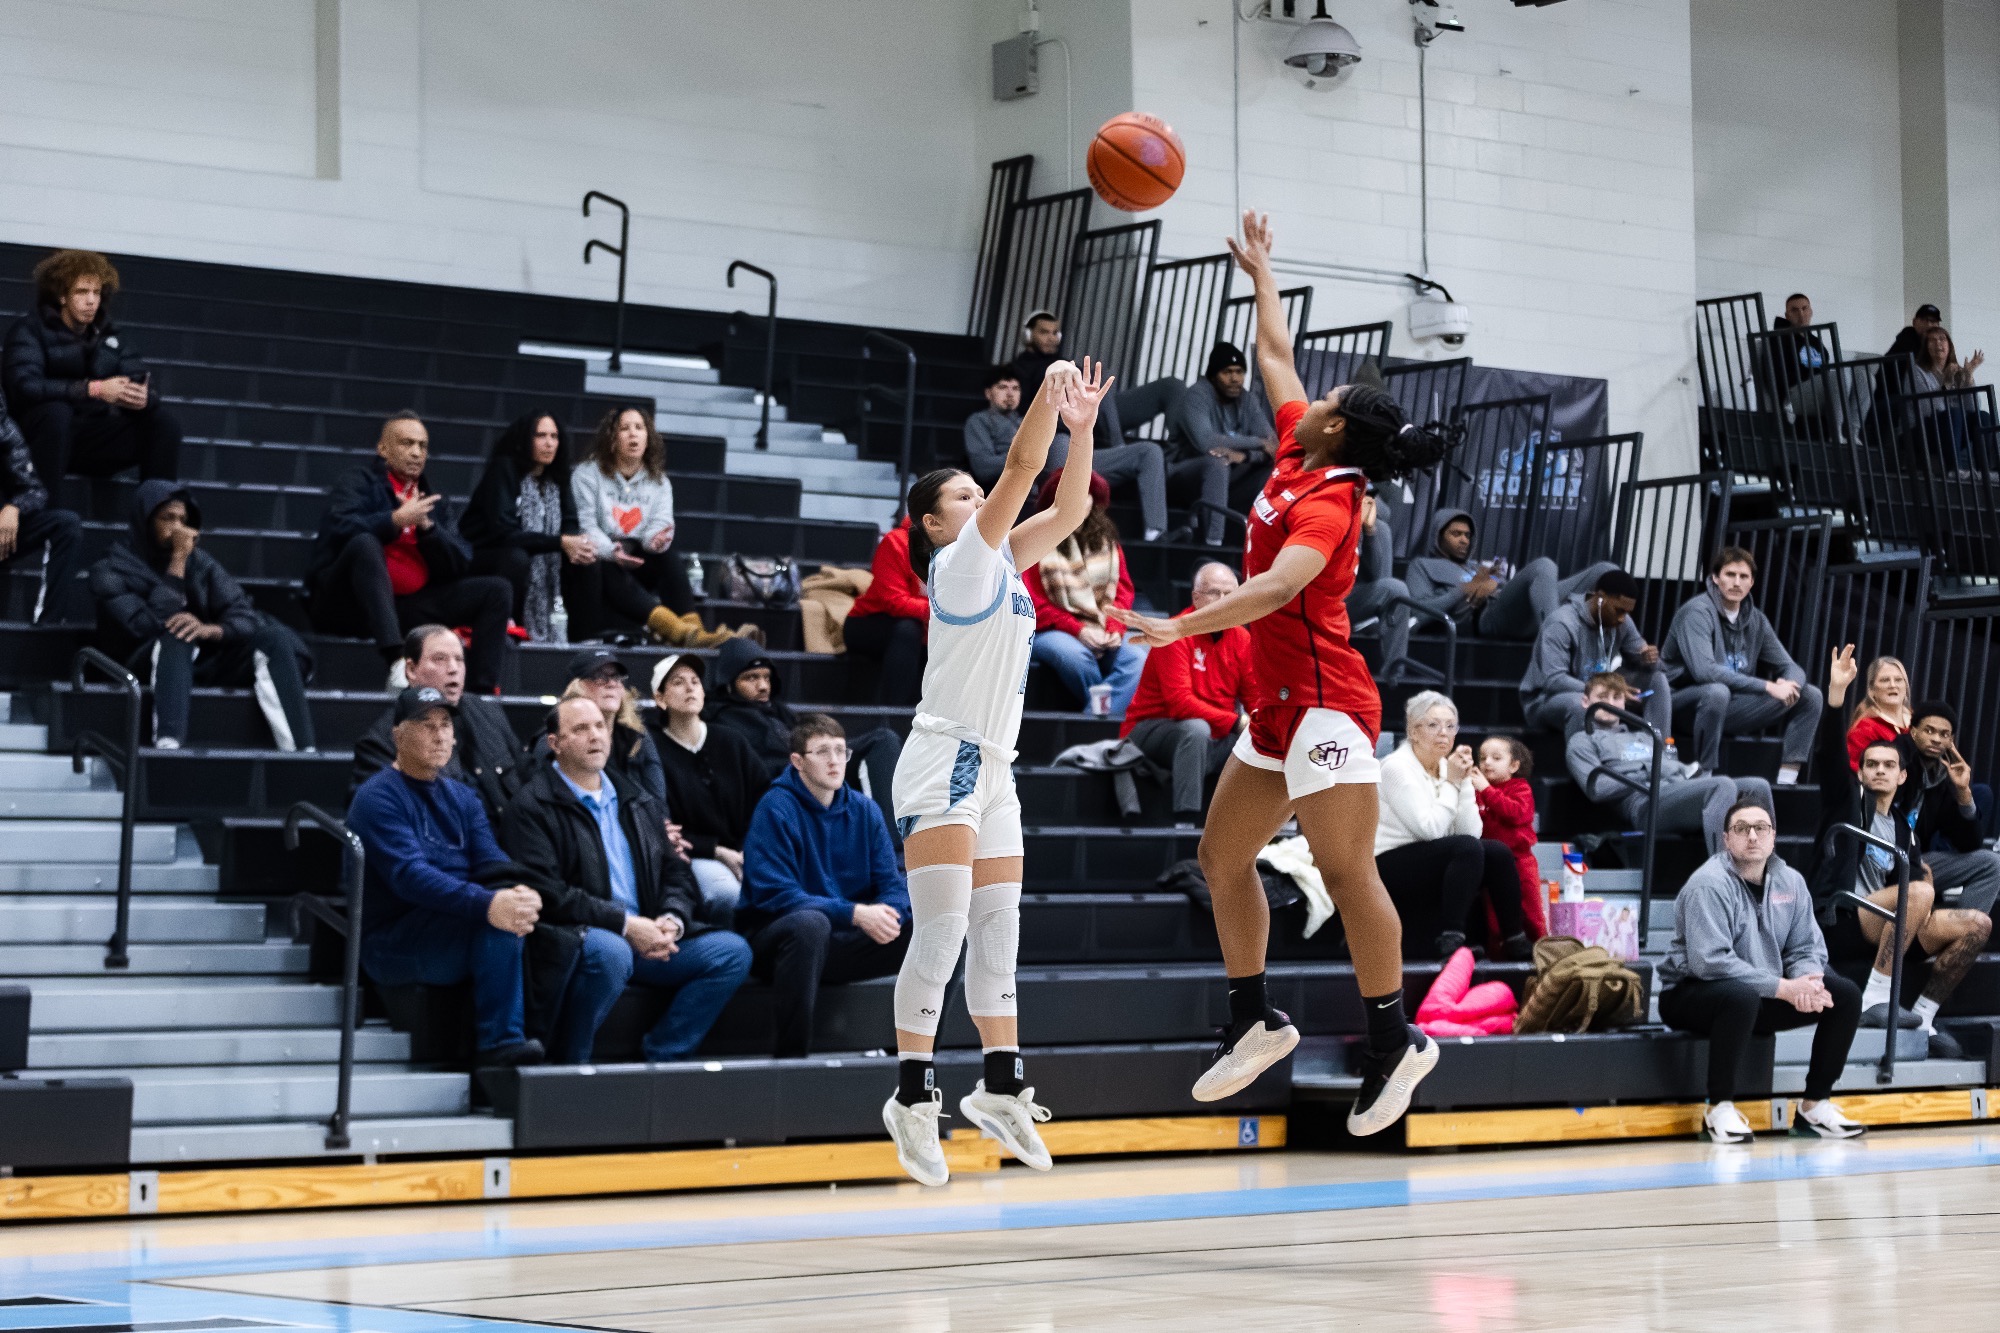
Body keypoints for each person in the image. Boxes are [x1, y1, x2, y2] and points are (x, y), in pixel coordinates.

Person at [1126, 211, 1453, 1134]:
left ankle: (1397, 1040)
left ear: (1337, 424)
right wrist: (1262, 273)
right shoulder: (1295, 449)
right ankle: (1254, 1017)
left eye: (1325, 394)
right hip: (1274, 708)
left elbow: (1273, 590)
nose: (1304, 392)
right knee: (1222, 858)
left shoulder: (1336, 504)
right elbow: (1275, 354)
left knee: (1348, 871)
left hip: (1328, 706)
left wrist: (1179, 624)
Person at [881, 355, 1109, 1188]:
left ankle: (1002, 1083)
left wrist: (1080, 431)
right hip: (944, 754)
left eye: (979, 499)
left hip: (996, 768)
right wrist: (1049, 394)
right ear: (935, 526)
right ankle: (911, 1097)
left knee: (999, 936)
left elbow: (1071, 504)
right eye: (963, 499)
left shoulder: (1005, 560)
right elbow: (1020, 468)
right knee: (940, 933)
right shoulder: (961, 565)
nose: (981, 503)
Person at [502, 696, 752, 1064]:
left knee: (732, 952)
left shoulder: (636, 798)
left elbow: (676, 871)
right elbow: (549, 893)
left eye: (600, 726)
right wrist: (626, 925)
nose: (595, 736)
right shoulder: (531, 806)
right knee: (613, 952)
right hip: (581, 935)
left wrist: (672, 920)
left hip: (648, 933)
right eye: (580, 729)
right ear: (555, 743)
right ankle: (569, 1066)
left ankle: (663, 1056)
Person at [347, 686, 545, 1069]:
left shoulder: (463, 796)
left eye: (445, 725)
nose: (439, 735)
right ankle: (499, 1049)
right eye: (426, 726)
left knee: (528, 922)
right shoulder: (377, 798)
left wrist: (519, 893)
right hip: (394, 940)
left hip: (450, 921)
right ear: (398, 735)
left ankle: (551, 1051)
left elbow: (493, 863)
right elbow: (410, 877)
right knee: (499, 926)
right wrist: (489, 904)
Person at [1811, 649, 1991, 1056]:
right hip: (1840, 917)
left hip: (1886, 921)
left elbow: (1961, 846)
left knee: (1977, 923)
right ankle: (1876, 996)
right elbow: (1828, 756)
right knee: (1921, 891)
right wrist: (1836, 694)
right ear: (1860, 770)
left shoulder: (1902, 827)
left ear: (1902, 773)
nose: (1878, 770)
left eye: (1888, 765)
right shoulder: (1847, 801)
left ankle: (1925, 1016)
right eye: (1870, 764)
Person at [1656, 795, 1866, 1143]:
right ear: (1726, 839)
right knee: (1740, 997)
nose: (1752, 836)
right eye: (1741, 829)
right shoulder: (1708, 884)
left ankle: (1814, 1106)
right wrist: (1784, 989)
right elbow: (1710, 962)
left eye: (1760, 828)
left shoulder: (1791, 882)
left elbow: (1805, 947)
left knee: (1843, 995)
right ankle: (1719, 1109)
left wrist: (1806, 981)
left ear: (1773, 836)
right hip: (1690, 994)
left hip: (1760, 991)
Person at [88, 482, 315, 752]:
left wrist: (209, 630)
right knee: (177, 633)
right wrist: (178, 562)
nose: (178, 528)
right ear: (145, 521)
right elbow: (143, 627)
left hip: (200, 659)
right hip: (140, 664)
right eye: (168, 518)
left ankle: (302, 751)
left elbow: (244, 615)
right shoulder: (110, 568)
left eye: (183, 520)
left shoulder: (200, 563)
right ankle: (168, 744)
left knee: (273, 638)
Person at [740, 715, 910, 1059]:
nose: (834, 760)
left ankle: (911, 1058)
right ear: (797, 761)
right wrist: (855, 913)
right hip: (779, 941)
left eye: (839, 750)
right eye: (822, 752)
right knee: (810, 924)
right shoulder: (774, 808)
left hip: (840, 941)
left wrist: (889, 913)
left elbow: (891, 882)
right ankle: (791, 1061)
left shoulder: (865, 810)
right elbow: (776, 894)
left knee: (941, 931)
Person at [304, 412, 513, 693]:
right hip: (350, 604)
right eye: (406, 443)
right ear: (383, 448)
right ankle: (396, 662)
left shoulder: (432, 500)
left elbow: (461, 561)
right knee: (364, 543)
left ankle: (480, 692)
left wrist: (428, 529)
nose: (416, 452)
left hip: (407, 608)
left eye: (422, 445)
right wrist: (395, 520)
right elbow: (340, 528)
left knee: (496, 590)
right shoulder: (359, 481)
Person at [1009, 311, 1210, 542]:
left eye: (1055, 332)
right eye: (1044, 332)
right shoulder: (1020, 369)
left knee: (1165, 387)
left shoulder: (1067, 361)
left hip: (1087, 424)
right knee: (1148, 450)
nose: (1051, 338)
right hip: (1059, 437)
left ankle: (1157, 533)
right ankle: (1119, 445)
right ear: (1028, 335)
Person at [570, 405, 751, 648]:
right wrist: (612, 552)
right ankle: (677, 631)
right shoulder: (587, 474)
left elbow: (661, 522)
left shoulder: (659, 482)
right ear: (611, 438)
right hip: (602, 558)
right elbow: (586, 526)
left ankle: (695, 631)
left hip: (639, 557)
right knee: (602, 561)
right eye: (624, 428)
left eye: (639, 428)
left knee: (668, 555)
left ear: (648, 438)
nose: (633, 434)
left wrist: (655, 540)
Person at [1374, 693, 1531, 961]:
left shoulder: (1449, 767)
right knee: (1465, 848)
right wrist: (1452, 783)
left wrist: (1464, 784)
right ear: (1413, 730)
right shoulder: (1396, 768)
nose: (1443, 733)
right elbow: (1430, 830)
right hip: (1387, 861)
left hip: (1429, 856)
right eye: (1433, 725)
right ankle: (1451, 940)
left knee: (1497, 852)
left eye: (1450, 726)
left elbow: (1471, 832)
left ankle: (1514, 940)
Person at [2, 249, 181, 484]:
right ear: (61, 296)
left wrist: (141, 397)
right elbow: (25, 387)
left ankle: (158, 512)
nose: (91, 301)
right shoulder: (30, 331)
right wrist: (93, 389)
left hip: (91, 439)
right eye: (82, 292)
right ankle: (45, 516)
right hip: (38, 440)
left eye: (96, 292)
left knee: (164, 423)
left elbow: (141, 378)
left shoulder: (110, 336)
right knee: (57, 413)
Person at [1662, 545, 1822, 783]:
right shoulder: (1696, 612)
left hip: (1731, 705)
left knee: (1810, 695)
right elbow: (1704, 671)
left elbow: (1790, 666)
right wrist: (1768, 687)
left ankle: (1787, 778)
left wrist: (1791, 684)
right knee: (1717, 691)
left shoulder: (1755, 619)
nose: (1736, 582)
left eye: (1743, 576)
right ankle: (1705, 775)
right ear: (1715, 578)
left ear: (1752, 583)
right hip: (1683, 705)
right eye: (1730, 575)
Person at [707, 634, 902, 830]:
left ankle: (892, 839)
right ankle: (889, 846)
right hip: (788, 784)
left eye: (766, 677)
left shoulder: (779, 711)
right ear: (729, 684)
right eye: (751, 678)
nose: (763, 686)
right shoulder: (722, 719)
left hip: (813, 767)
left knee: (883, 740)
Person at [1568, 673, 1773, 855]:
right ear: (1586, 701)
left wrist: (1683, 773)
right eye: (1603, 698)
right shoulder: (1583, 740)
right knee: (1722, 785)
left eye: (1617, 697)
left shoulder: (1643, 735)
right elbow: (1597, 789)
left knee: (1757, 787)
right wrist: (1650, 769)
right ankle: (1724, 881)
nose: (1611, 704)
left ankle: (1764, 875)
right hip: (1644, 803)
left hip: (1673, 790)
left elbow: (1670, 769)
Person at [1120, 561, 1255, 827]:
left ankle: (1259, 826)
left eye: (1230, 594)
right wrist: (1238, 722)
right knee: (1195, 729)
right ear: (1195, 597)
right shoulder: (1173, 632)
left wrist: (1263, 723)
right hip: (1150, 731)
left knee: (1268, 735)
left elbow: (1254, 696)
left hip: (1212, 733)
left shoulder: (1241, 638)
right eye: (1215, 593)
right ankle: (1185, 821)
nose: (1223, 601)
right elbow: (1180, 704)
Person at [350, 624, 529, 824]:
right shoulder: (382, 742)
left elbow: (527, 778)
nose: (453, 669)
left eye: (459, 660)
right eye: (440, 659)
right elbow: (380, 819)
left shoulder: (489, 713)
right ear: (411, 669)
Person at [649, 654, 765, 924]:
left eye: (695, 681)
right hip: (695, 855)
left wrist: (751, 848)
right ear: (660, 698)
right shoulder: (652, 750)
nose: (690, 687)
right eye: (678, 682)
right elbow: (659, 822)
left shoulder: (731, 740)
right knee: (727, 894)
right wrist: (715, 851)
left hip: (748, 849)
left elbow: (765, 800)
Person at [459, 412, 595, 643]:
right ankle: (508, 625)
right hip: (486, 555)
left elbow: (570, 522)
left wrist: (578, 545)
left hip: (530, 552)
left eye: (554, 436)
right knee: (517, 557)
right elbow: (504, 532)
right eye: (540, 435)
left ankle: (583, 637)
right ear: (524, 440)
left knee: (586, 559)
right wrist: (560, 542)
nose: (549, 443)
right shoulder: (504, 470)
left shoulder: (558, 478)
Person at [1023, 470, 1147, 719]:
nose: (1081, 504)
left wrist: (1114, 628)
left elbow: (1123, 591)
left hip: (1101, 625)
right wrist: (1077, 630)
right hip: (1049, 630)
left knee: (1136, 657)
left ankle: (1092, 721)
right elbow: (1032, 603)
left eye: (1086, 498)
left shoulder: (1107, 541)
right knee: (1075, 657)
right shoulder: (1033, 537)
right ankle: (1101, 722)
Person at [1404, 508, 1618, 641]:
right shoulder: (1422, 565)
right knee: (1544, 565)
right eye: (1456, 534)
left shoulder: (1476, 565)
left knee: (1605, 572)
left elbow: (1503, 590)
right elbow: (1419, 613)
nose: (1464, 541)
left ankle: (1619, 648)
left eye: (1467, 535)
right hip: (1487, 619)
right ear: (1438, 537)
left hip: (1524, 608)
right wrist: (1466, 588)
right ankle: (1554, 640)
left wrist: (1493, 581)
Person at [1520, 568, 1670, 738]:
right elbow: (1554, 680)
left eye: (1627, 613)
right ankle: (1593, 760)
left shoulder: (1622, 622)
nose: (1622, 618)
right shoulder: (1562, 623)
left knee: (1657, 680)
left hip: (1600, 692)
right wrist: (1605, 691)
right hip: (1546, 699)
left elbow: (1653, 664)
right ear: (1600, 598)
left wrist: (1648, 659)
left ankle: (1660, 754)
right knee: (1583, 704)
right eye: (1619, 610)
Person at [1902, 701, 2000, 915]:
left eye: (1944, 734)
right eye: (1929, 731)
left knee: (1992, 864)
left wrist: (1963, 792)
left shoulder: (1942, 777)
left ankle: (1961, 936)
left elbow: (1969, 843)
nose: (1936, 739)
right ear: (1914, 731)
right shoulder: (1898, 761)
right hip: (1885, 858)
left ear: (1951, 741)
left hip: (1919, 862)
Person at [536, 648, 666, 803]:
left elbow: (658, 804)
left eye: (616, 677)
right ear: (575, 687)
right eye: (599, 677)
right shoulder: (553, 741)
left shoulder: (637, 735)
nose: (611, 683)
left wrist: (655, 822)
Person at [1172, 341, 1279, 514]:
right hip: (1185, 475)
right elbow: (1206, 442)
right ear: (1214, 376)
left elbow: (1273, 445)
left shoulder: (1247, 399)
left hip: (1229, 476)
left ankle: (1258, 532)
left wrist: (1244, 456)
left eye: (1239, 372)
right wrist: (1258, 443)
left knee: (1275, 470)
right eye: (1227, 372)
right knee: (1218, 462)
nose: (1235, 378)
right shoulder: (1197, 395)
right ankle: (1214, 541)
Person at [0, 396, 81, 624]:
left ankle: (49, 625)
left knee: (65, 524)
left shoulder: (3, 425)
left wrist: (14, 507)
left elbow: (34, 490)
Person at [842, 517, 929, 707]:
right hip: (870, 622)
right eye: (964, 498)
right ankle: (892, 714)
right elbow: (894, 601)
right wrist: (943, 610)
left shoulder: (962, 547)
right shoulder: (897, 541)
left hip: (927, 628)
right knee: (909, 629)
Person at [1475, 736, 1546, 941]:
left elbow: (1516, 813)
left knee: (1532, 914)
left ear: (1514, 765)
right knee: (1494, 917)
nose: (1487, 762)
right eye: (1482, 757)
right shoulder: (1476, 791)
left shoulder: (1520, 788)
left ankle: (1540, 953)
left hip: (1520, 862)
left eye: (1496, 758)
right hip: (1492, 865)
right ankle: (1499, 961)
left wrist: (1486, 790)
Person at [1344, 489, 1411, 677]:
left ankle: (1394, 673)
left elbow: (1374, 574)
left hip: (1347, 597)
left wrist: (1369, 531)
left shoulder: (1361, 498)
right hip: (1314, 595)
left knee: (1395, 589)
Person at [962, 366, 1029, 490]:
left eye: (1015, 388)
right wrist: (1023, 456)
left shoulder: (1027, 422)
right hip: (994, 492)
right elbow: (984, 468)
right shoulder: (978, 421)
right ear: (988, 393)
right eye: (1002, 387)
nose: (1010, 394)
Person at [1844, 655, 1910, 772]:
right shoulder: (1864, 729)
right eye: (1885, 680)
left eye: (1898, 680)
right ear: (1871, 690)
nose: (1893, 685)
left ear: (1906, 686)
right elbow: (1855, 773)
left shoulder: (1918, 723)